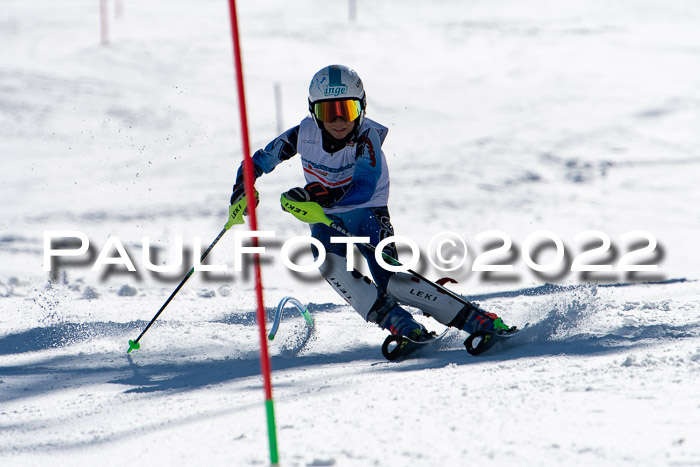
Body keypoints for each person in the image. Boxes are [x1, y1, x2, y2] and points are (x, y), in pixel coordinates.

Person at [231, 65, 509, 342]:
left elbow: (365, 186)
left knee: (394, 283)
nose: (339, 121)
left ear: (362, 108)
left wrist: (321, 196)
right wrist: (242, 187)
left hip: (367, 215)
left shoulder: (367, 138)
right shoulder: (301, 135)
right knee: (329, 266)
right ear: (314, 112)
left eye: (348, 110)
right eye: (328, 112)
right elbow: (257, 162)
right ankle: (402, 326)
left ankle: (479, 321)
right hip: (324, 218)